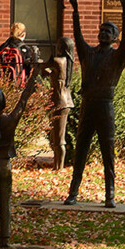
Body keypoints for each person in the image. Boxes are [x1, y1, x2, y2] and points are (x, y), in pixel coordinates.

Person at [64, 0, 125, 208]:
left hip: (105, 106)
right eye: (101, 30)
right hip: (88, 105)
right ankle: (73, 192)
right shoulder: (88, 53)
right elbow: (77, 35)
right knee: (81, 149)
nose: (103, 33)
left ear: (115, 38)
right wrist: (75, 12)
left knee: (107, 151)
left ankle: (110, 194)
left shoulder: (117, 56)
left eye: (108, 31)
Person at [0, 64, 37, 248]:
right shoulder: (10, 121)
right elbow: (22, 103)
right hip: (4, 166)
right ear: (4, 105)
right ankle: (5, 237)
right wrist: (31, 83)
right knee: (5, 201)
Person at [41, 36, 75, 170]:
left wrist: (48, 60)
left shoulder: (57, 60)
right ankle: (56, 164)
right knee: (57, 136)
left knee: (59, 137)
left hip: (59, 101)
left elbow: (42, 67)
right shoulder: (67, 62)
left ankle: (59, 167)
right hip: (64, 100)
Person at [0, 22, 39, 86]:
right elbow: (29, 70)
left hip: (1, 85)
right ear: (23, 34)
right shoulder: (25, 49)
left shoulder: (2, 47)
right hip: (17, 85)